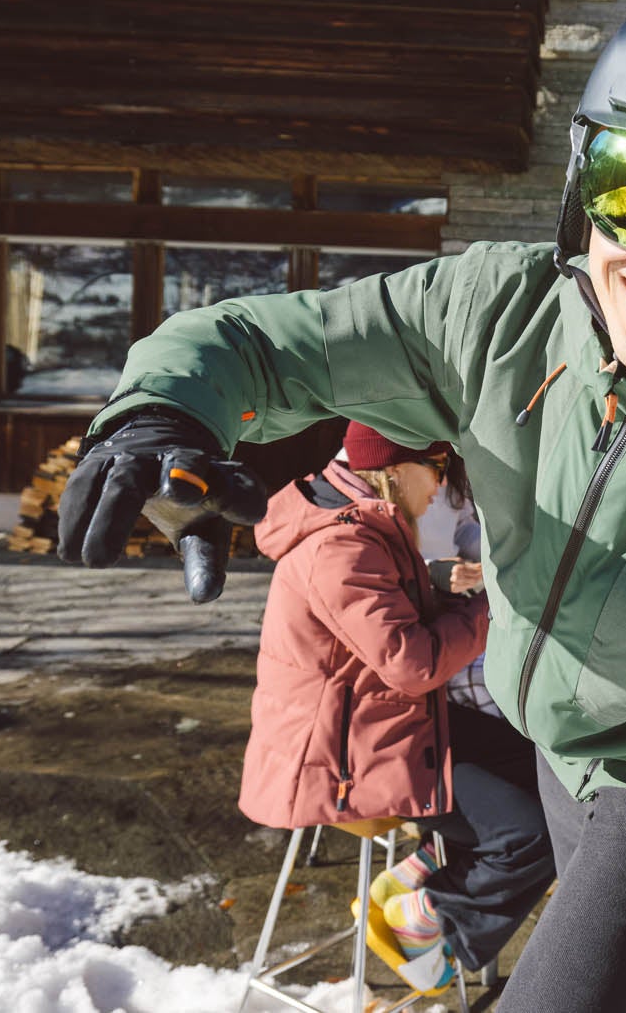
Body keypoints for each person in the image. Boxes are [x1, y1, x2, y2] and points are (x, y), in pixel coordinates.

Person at [57, 0, 626, 1012]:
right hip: (554, 737)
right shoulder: (497, 319)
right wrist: (164, 410)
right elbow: (274, 343)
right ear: (576, 181)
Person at [240, 423, 552, 993]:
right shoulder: (341, 544)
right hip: (342, 758)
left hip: (386, 726)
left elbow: (396, 624)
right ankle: (433, 926)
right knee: (530, 834)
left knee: (547, 772)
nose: (438, 486)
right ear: (392, 471)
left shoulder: (367, 524)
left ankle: (422, 874)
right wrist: (496, 608)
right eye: (434, 469)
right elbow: (411, 663)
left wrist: (446, 589)